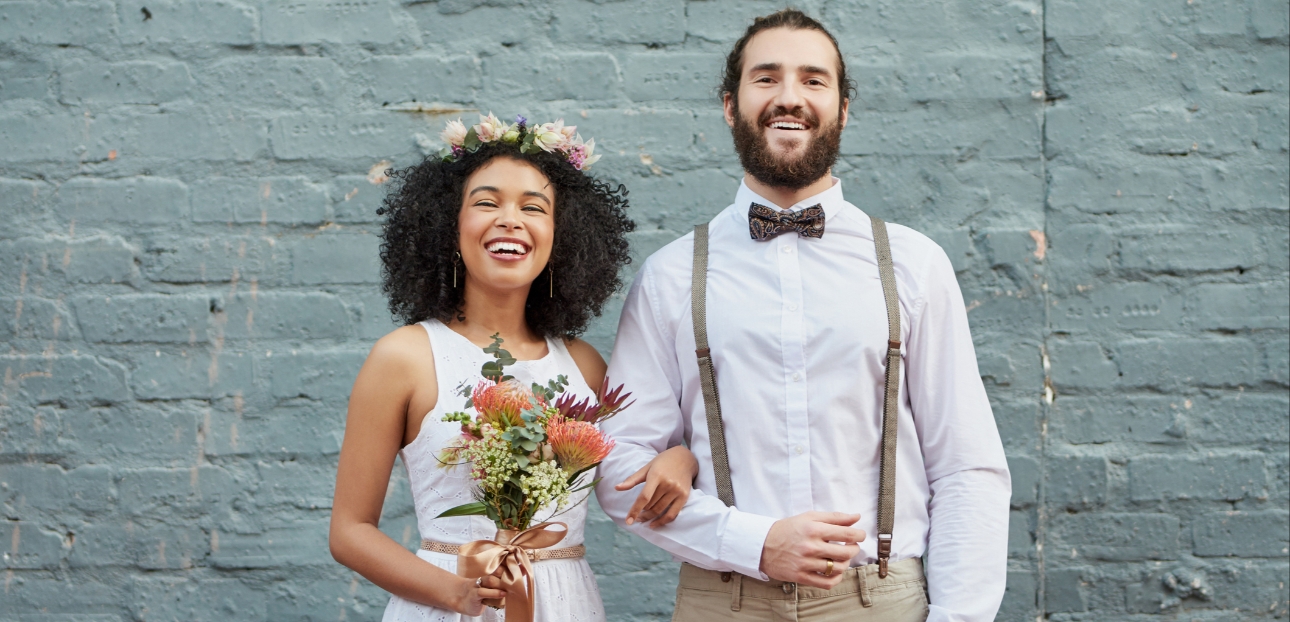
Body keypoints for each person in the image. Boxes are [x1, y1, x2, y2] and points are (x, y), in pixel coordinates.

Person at [597, 10, 1011, 622]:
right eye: (766, 78)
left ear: (843, 109)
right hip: (724, 600)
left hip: (883, 600)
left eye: (813, 80)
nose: (789, 97)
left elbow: (966, 465)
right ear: (730, 106)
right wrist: (754, 544)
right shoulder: (668, 275)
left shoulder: (915, 265)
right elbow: (617, 464)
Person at [330, 114, 700, 621]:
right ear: (448, 224)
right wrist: (457, 594)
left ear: (560, 235)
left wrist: (682, 459)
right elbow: (350, 531)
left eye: (534, 207)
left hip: (566, 605)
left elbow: (631, 473)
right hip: (447, 605)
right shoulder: (404, 358)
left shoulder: (585, 365)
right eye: (486, 202)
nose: (510, 218)